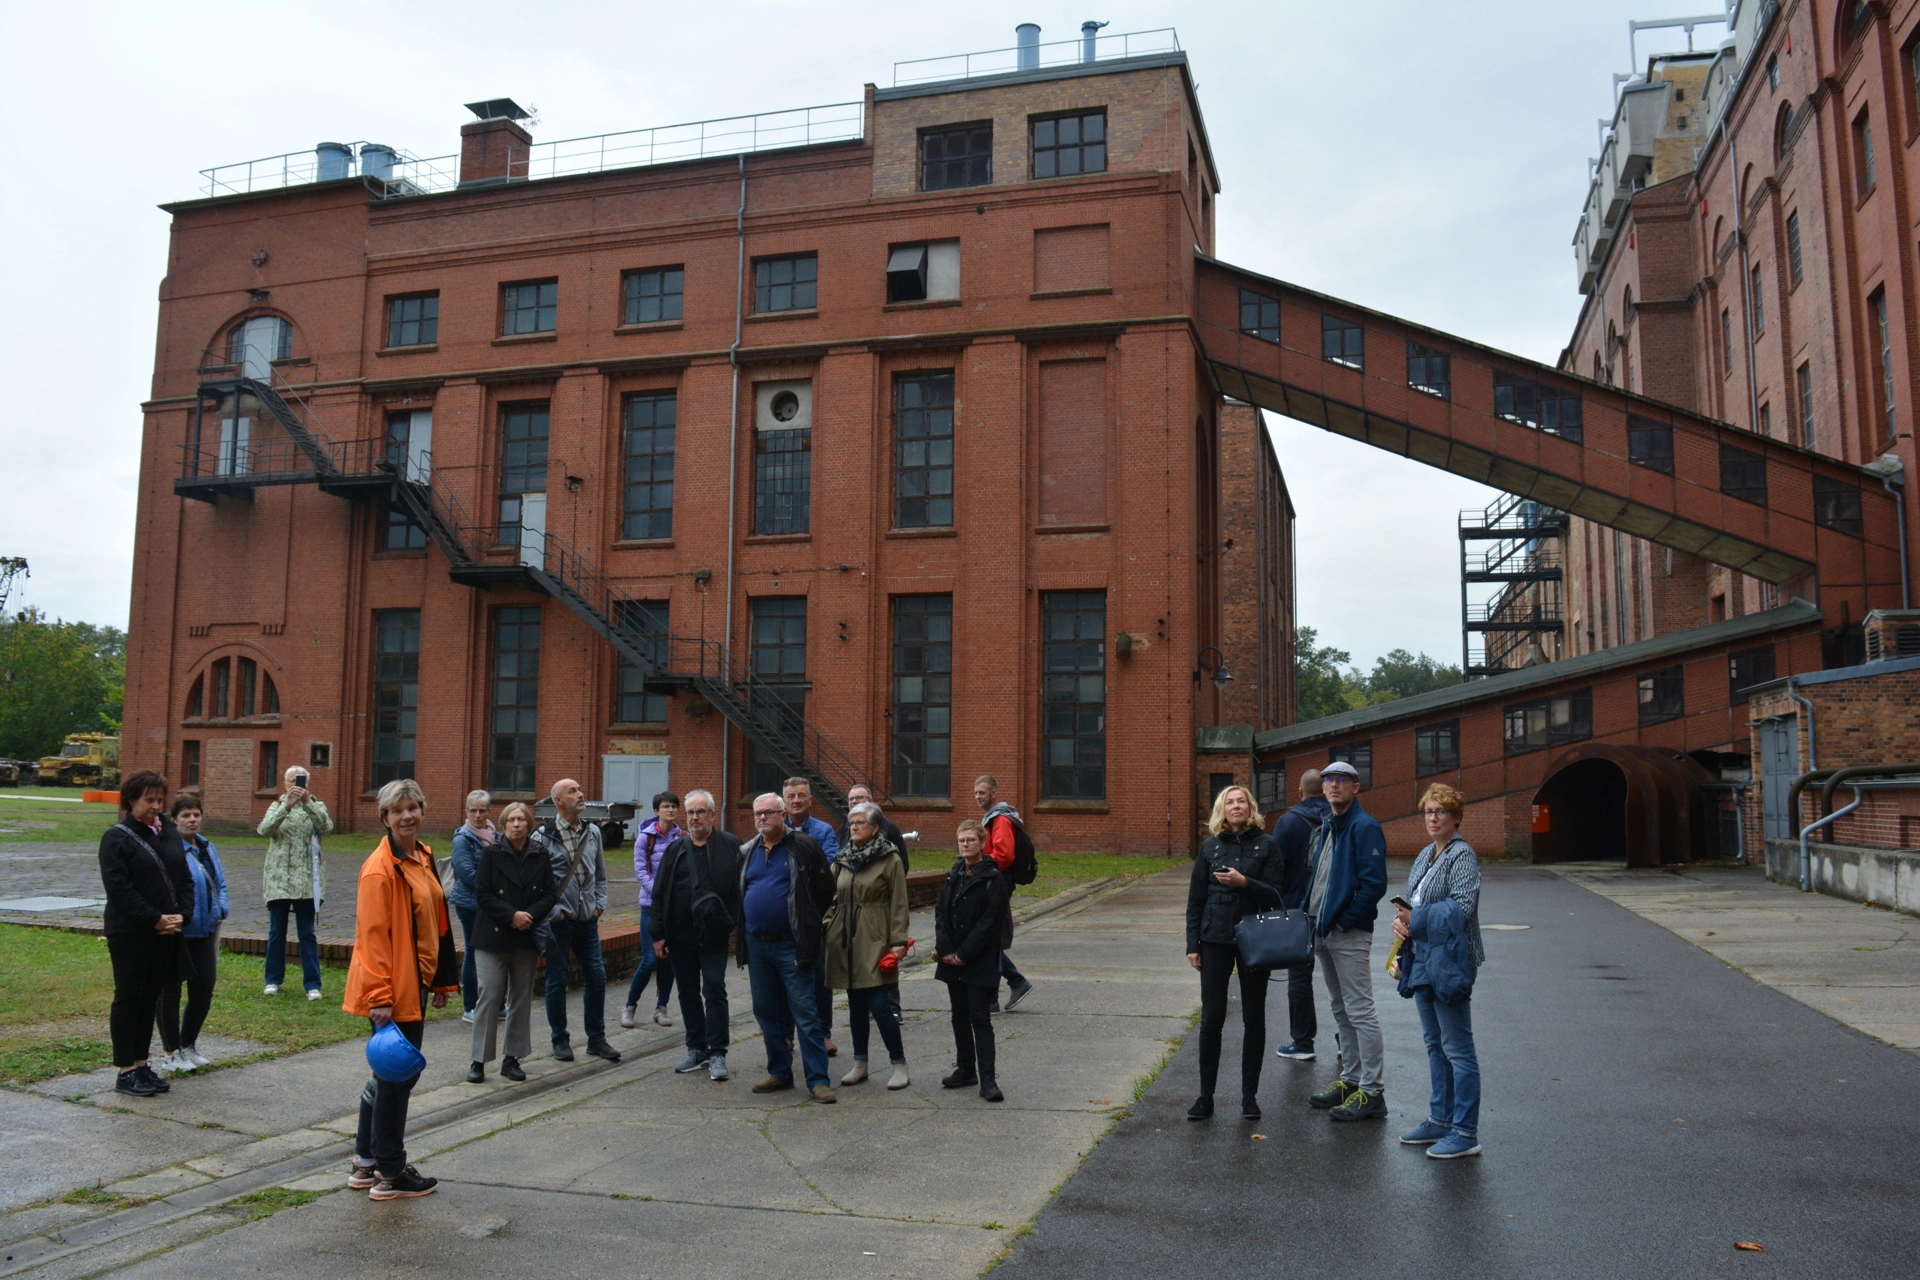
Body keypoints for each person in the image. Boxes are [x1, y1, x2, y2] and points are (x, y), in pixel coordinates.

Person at [342, 779, 456, 1200]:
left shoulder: (422, 856)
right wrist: (380, 998)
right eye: (398, 810)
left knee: (386, 1076)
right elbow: (371, 938)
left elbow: (436, 925)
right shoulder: (379, 868)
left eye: (413, 807)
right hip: (392, 991)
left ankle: (365, 1162)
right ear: (385, 818)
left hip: (418, 983)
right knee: (397, 1079)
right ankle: (391, 1172)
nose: (407, 815)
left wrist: (441, 979)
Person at [1393, 783, 1485, 1159]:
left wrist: (1416, 920)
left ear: (1456, 817)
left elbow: (1461, 907)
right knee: (1434, 1045)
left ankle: (1465, 1132)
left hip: (1450, 961)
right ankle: (1440, 1120)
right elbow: (1413, 904)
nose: (1433, 818)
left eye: (1441, 812)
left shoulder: (1462, 856)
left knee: (1458, 1048)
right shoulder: (1426, 854)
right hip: (1423, 959)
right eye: (1428, 811)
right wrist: (1400, 926)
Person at [1184, 785, 1286, 1121]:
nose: (1236, 806)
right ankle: (1205, 1096)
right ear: (1222, 810)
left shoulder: (1267, 844)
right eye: (1230, 802)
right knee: (1212, 1017)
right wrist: (1192, 945)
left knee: (1253, 1017)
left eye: (1241, 801)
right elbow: (1196, 899)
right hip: (1215, 937)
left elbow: (1277, 894)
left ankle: (1248, 1097)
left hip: (1254, 936)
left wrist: (1245, 883)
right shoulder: (1211, 847)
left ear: (1251, 807)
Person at [98, 770, 192, 1098]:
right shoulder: (117, 837)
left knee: (150, 996)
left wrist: (183, 914)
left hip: (167, 929)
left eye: (159, 800)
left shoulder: (167, 831)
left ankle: (141, 1063)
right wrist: (154, 919)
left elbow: (183, 877)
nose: (155, 806)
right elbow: (119, 888)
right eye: (147, 800)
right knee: (129, 997)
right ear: (131, 800)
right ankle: (126, 1070)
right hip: (131, 932)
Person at [1304, 760, 1389, 1122]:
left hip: (1347, 933)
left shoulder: (1364, 827)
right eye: (1328, 780)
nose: (1334, 785)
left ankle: (1372, 1092)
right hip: (1322, 930)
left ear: (1356, 788)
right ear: (1322, 789)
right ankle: (1350, 1079)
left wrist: (1344, 921)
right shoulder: (1328, 825)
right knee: (1340, 1009)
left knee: (1360, 1011)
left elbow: (1374, 884)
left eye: (1342, 780)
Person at [739, 792, 837, 1103]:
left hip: (792, 945)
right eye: (758, 813)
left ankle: (818, 1080)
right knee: (766, 1011)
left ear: (783, 814)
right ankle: (780, 1072)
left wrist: (808, 927)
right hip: (757, 945)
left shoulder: (804, 847)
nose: (763, 818)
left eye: (769, 813)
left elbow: (825, 891)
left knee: (804, 1012)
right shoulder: (747, 850)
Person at [650, 789, 743, 1082]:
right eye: (690, 812)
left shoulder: (731, 846)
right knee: (687, 991)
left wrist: (732, 922)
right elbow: (659, 893)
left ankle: (717, 1051)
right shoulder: (675, 850)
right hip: (680, 937)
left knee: (714, 989)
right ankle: (696, 1047)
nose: (694, 817)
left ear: (712, 815)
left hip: (714, 935)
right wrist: (658, 933)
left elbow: (743, 888)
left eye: (700, 812)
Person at [825, 802, 912, 1090]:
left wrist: (897, 941)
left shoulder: (889, 858)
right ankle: (860, 1063)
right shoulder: (843, 858)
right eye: (851, 823)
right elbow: (829, 894)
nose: (853, 827)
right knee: (856, 1004)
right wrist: (829, 923)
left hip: (875, 937)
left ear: (875, 828)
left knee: (879, 1004)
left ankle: (898, 1064)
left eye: (860, 823)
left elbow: (899, 902)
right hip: (845, 937)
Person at [532, 778, 620, 1064]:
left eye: (580, 789)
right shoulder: (541, 837)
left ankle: (596, 1039)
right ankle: (560, 1040)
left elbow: (601, 876)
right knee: (557, 980)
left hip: (588, 920)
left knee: (597, 976)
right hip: (559, 922)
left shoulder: (592, 831)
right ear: (558, 800)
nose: (581, 794)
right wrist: (554, 913)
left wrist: (599, 906)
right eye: (573, 791)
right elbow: (536, 884)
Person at [467, 802, 553, 1084]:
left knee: (521, 998)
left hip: (525, 936)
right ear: (503, 825)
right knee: (489, 996)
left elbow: (550, 894)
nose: (516, 824)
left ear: (529, 824)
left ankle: (512, 1059)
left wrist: (529, 917)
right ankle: (478, 1060)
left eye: (521, 819)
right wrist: (511, 915)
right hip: (492, 936)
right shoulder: (491, 854)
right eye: (511, 820)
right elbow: (482, 892)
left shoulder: (540, 855)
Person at [935, 820, 1008, 1102]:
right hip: (951, 958)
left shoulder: (993, 878)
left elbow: (990, 922)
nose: (965, 845)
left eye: (971, 840)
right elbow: (941, 912)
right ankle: (965, 1069)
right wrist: (945, 949)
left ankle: (988, 1079)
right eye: (961, 840)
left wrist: (964, 953)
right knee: (958, 1017)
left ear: (982, 843)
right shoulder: (955, 874)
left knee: (980, 1019)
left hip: (978, 960)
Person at [156, 792, 228, 1075]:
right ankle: (171, 1051)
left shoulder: (208, 848)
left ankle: (188, 1044)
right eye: (185, 815)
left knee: (203, 989)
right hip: (180, 931)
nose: (192, 820)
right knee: (170, 991)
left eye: (196, 814)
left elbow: (220, 883)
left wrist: (221, 909)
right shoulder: (170, 849)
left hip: (205, 930)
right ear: (174, 820)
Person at [258, 765, 332, 1000]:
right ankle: (273, 980)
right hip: (279, 879)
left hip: (307, 880)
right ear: (284, 783)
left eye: (300, 781)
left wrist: (307, 802)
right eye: (292, 781)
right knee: (276, 932)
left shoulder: (316, 805)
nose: (296, 786)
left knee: (306, 933)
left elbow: (326, 826)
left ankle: (312, 984)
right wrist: (286, 806)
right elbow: (264, 829)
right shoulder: (276, 806)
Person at [1270, 768, 1327, 1062]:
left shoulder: (1288, 822)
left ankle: (1303, 1042)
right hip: (1332, 908)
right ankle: (1348, 1042)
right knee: (1342, 981)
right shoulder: (1339, 817)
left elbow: (1274, 869)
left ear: (1299, 790)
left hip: (1298, 909)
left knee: (1300, 977)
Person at [783, 777, 841, 1057]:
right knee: (783, 978)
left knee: (819, 977)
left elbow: (827, 867)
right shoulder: (775, 828)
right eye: (791, 796)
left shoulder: (823, 830)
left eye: (801, 795)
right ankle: (785, 1034)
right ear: (784, 801)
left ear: (810, 800)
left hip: (814, 916)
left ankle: (822, 1033)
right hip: (783, 917)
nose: (796, 800)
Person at [621, 790, 681, 1030]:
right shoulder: (645, 838)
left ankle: (661, 1007)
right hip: (651, 906)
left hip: (674, 910)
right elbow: (640, 871)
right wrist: (659, 893)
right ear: (656, 811)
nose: (670, 810)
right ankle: (629, 1007)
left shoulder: (682, 837)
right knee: (649, 960)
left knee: (669, 960)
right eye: (666, 806)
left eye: (674, 807)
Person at [974, 775, 1034, 1012]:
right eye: (976, 793)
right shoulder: (993, 818)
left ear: (994, 794)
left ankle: (1007, 988)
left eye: (982, 793)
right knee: (986, 939)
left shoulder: (1000, 819)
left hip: (995, 882)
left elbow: (1004, 855)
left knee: (987, 939)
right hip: (993, 880)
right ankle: (1008, 987)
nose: (978, 797)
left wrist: (982, 872)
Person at [449, 791, 495, 1022]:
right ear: (466, 812)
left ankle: (495, 1004)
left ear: (489, 812)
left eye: (482, 810)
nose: (478, 815)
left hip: (491, 904)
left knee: (494, 953)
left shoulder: (493, 834)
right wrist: (493, 891)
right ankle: (470, 1007)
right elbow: (467, 873)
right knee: (473, 952)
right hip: (470, 904)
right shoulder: (462, 838)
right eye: (473, 811)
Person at [840, 784, 908, 873]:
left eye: (859, 797)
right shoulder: (843, 828)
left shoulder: (889, 827)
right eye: (851, 799)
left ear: (870, 801)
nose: (854, 801)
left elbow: (901, 865)